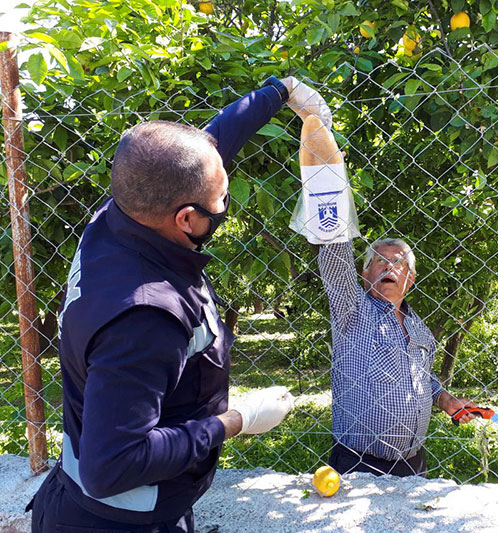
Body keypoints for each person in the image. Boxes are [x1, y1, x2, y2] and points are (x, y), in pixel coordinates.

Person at [28, 76, 330, 532]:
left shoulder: (116, 218)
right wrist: (235, 421)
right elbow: (110, 466)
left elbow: (194, 158)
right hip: (123, 521)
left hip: (97, 503)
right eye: (221, 199)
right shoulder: (147, 316)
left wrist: (278, 92)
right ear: (187, 219)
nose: (226, 202)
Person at [295, 117, 479, 477]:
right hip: (357, 464)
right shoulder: (351, 309)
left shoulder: (419, 327)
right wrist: (329, 182)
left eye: (398, 263)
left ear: (410, 278)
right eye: (378, 262)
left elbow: (423, 378)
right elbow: (334, 259)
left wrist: (447, 401)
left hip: (414, 465)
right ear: (365, 275)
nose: (387, 268)